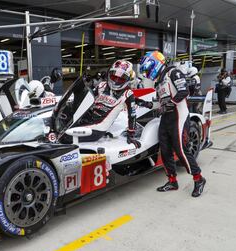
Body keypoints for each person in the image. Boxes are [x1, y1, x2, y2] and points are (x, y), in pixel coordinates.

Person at [139, 51, 206, 197]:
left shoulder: (173, 73)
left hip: (179, 116)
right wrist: (145, 104)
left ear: (155, 63)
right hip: (166, 118)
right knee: (165, 151)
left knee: (181, 151)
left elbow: (184, 92)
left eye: (148, 69)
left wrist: (169, 103)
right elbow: (160, 104)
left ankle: (199, 179)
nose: (147, 72)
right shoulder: (159, 82)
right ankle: (172, 181)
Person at [75, 59, 148, 147]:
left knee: (67, 136)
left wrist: (131, 135)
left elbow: (132, 115)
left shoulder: (128, 94)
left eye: (121, 79)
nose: (116, 81)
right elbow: (87, 99)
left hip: (98, 128)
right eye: (114, 77)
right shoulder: (102, 85)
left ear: (128, 79)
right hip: (86, 120)